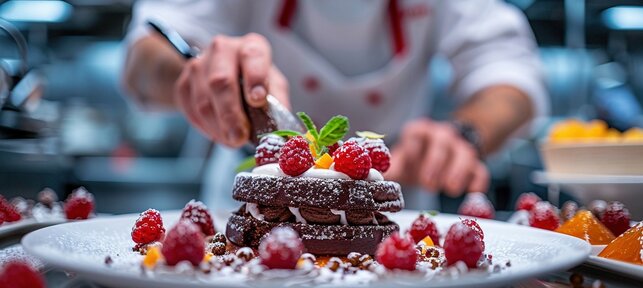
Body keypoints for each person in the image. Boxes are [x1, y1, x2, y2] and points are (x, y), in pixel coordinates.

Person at [122, 0, 547, 209]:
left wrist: (465, 133)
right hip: (249, 207)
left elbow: (510, 74)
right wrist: (193, 75)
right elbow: (142, 64)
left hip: (394, 214)